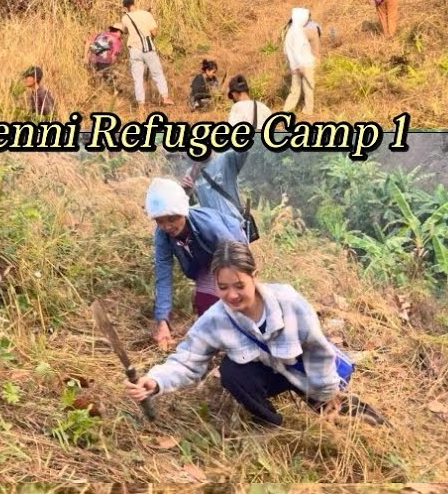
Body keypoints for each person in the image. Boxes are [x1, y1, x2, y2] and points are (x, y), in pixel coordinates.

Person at [125, 241, 371, 428]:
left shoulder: (288, 301)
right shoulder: (215, 319)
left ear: (254, 276)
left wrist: (326, 395)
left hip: (305, 370)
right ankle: (271, 424)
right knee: (232, 371)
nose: (232, 295)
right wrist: (155, 381)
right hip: (267, 374)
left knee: (358, 423)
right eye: (223, 287)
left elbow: (317, 350)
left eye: (239, 285)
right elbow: (187, 359)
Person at [146, 178, 248, 351]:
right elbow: (163, 277)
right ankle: (213, 340)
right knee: (204, 301)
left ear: (183, 212)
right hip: (201, 260)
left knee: (227, 296)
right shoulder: (162, 235)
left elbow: (236, 259)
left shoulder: (210, 226)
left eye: (172, 219)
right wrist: (162, 320)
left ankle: (239, 336)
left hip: (230, 252)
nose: (167, 226)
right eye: (160, 221)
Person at [120, 0, 172, 108]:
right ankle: (165, 97)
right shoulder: (146, 14)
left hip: (134, 50)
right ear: (134, 3)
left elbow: (125, 31)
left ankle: (141, 105)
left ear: (125, 7)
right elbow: (154, 32)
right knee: (157, 73)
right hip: (148, 48)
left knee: (138, 78)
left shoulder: (125, 18)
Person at [281, 7, 318, 115]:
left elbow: (287, 51)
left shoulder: (290, 31)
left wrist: (293, 65)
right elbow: (298, 50)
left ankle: (286, 111)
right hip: (304, 65)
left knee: (295, 91)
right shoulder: (297, 32)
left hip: (296, 66)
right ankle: (308, 111)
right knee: (308, 88)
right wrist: (300, 65)